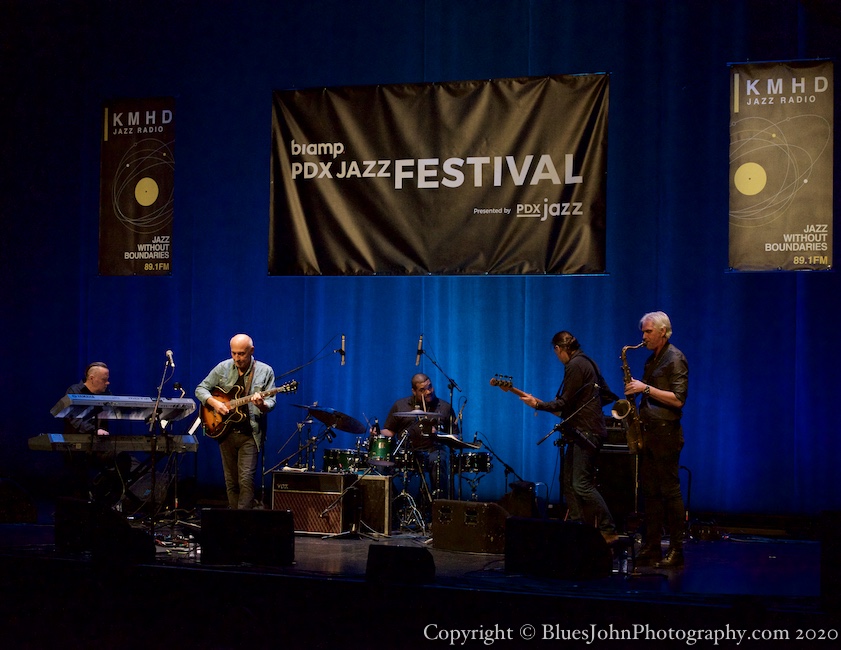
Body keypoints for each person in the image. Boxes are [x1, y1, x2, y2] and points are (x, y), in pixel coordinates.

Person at [519, 331, 619, 545]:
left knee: (581, 484)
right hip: (583, 430)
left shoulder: (574, 365)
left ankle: (608, 529)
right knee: (568, 482)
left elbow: (564, 403)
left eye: (556, 353)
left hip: (586, 432)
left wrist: (538, 405)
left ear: (559, 349)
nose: (557, 357)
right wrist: (583, 408)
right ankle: (576, 526)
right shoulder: (589, 362)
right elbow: (608, 395)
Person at [624, 311, 688, 568]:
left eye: (648, 331)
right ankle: (651, 546)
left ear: (663, 332)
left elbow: (679, 399)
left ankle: (676, 549)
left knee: (670, 492)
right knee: (651, 493)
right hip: (649, 432)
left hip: (666, 433)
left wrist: (645, 388)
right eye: (643, 332)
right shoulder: (652, 360)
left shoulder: (676, 359)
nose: (644, 336)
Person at [196, 334, 277, 510]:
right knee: (231, 481)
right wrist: (215, 403)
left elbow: (271, 403)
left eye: (241, 354)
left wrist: (261, 404)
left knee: (246, 480)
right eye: (234, 353)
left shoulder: (265, 371)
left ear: (251, 351)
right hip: (225, 432)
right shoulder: (223, 368)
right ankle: (234, 520)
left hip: (250, 435)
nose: (237, 358)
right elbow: (200, 389)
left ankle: (243, 524)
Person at [380, 373, 458, 503]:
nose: (428, 392)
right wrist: (377, 432)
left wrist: (437, 434)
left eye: (430, 387)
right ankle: (394, 505)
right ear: (413, 391)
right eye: (422, 390)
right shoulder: (400, 405)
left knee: (438, 461)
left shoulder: (445, 407)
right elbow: (390, 431)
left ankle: (440, 506)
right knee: (382, 465)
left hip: (433, 451)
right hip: (407, 452)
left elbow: (456, 436)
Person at [63, 362, 111, 437]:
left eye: (107, 379)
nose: (107, 383)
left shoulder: (106, 393)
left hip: (100, 441)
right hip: (76, 439)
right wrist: (94, 430)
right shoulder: (74, 392)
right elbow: (74, 419)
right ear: (92, 378)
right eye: (104, 379)